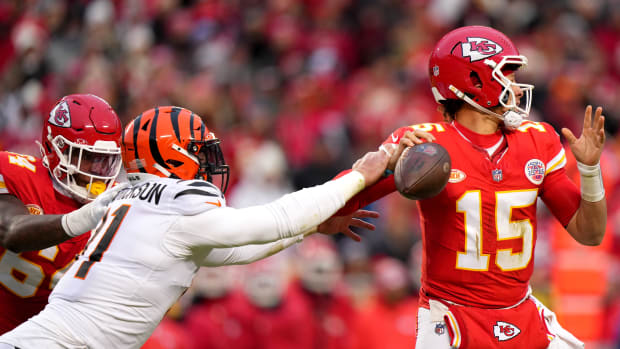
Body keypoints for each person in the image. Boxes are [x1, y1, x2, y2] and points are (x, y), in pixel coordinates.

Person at [0, 105, 389, 349]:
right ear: (172, 156)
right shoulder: (174, 207)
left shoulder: (137, 202)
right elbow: (275, 218)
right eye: (199, 152)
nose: (209, 163)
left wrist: (313, 228)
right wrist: (355, 178)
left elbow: (235, 251)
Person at [330, 26, 607, 348]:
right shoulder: (425, 142)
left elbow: (590, 233)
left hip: (521, 312)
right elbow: (341, 199)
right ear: (474, 81)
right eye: (508, 75)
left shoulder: (538, 139)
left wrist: (589, 169)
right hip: (451, 316)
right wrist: (364, 185)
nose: (517, 89)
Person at [0, 93, 125, 334]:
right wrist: (84, 218)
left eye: (106, 161)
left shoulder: (118, 201)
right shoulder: (16, 173)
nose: (98, 171)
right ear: (55, 148)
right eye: (88, 157)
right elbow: (11, 232)